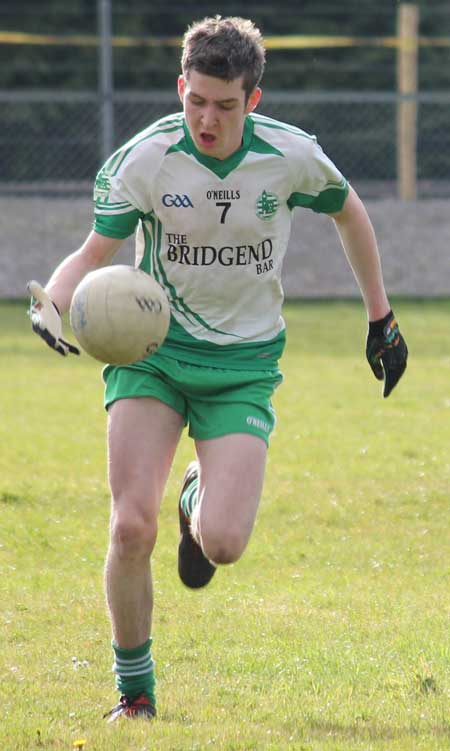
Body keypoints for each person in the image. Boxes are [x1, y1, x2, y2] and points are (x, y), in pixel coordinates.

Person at [28, 15, 408, 721]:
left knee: (225, 544)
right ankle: (134, 694)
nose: (206, 118)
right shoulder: (146, 159)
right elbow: (91, 253)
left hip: (244, 364)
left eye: (225, 105)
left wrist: (381, 318)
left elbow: (351, 213)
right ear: (181, 86)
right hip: (156, 357)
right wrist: (52, 300)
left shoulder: (290, 156)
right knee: (129, 526)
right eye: (195, 99)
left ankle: (195, 494)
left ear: (252, 100)